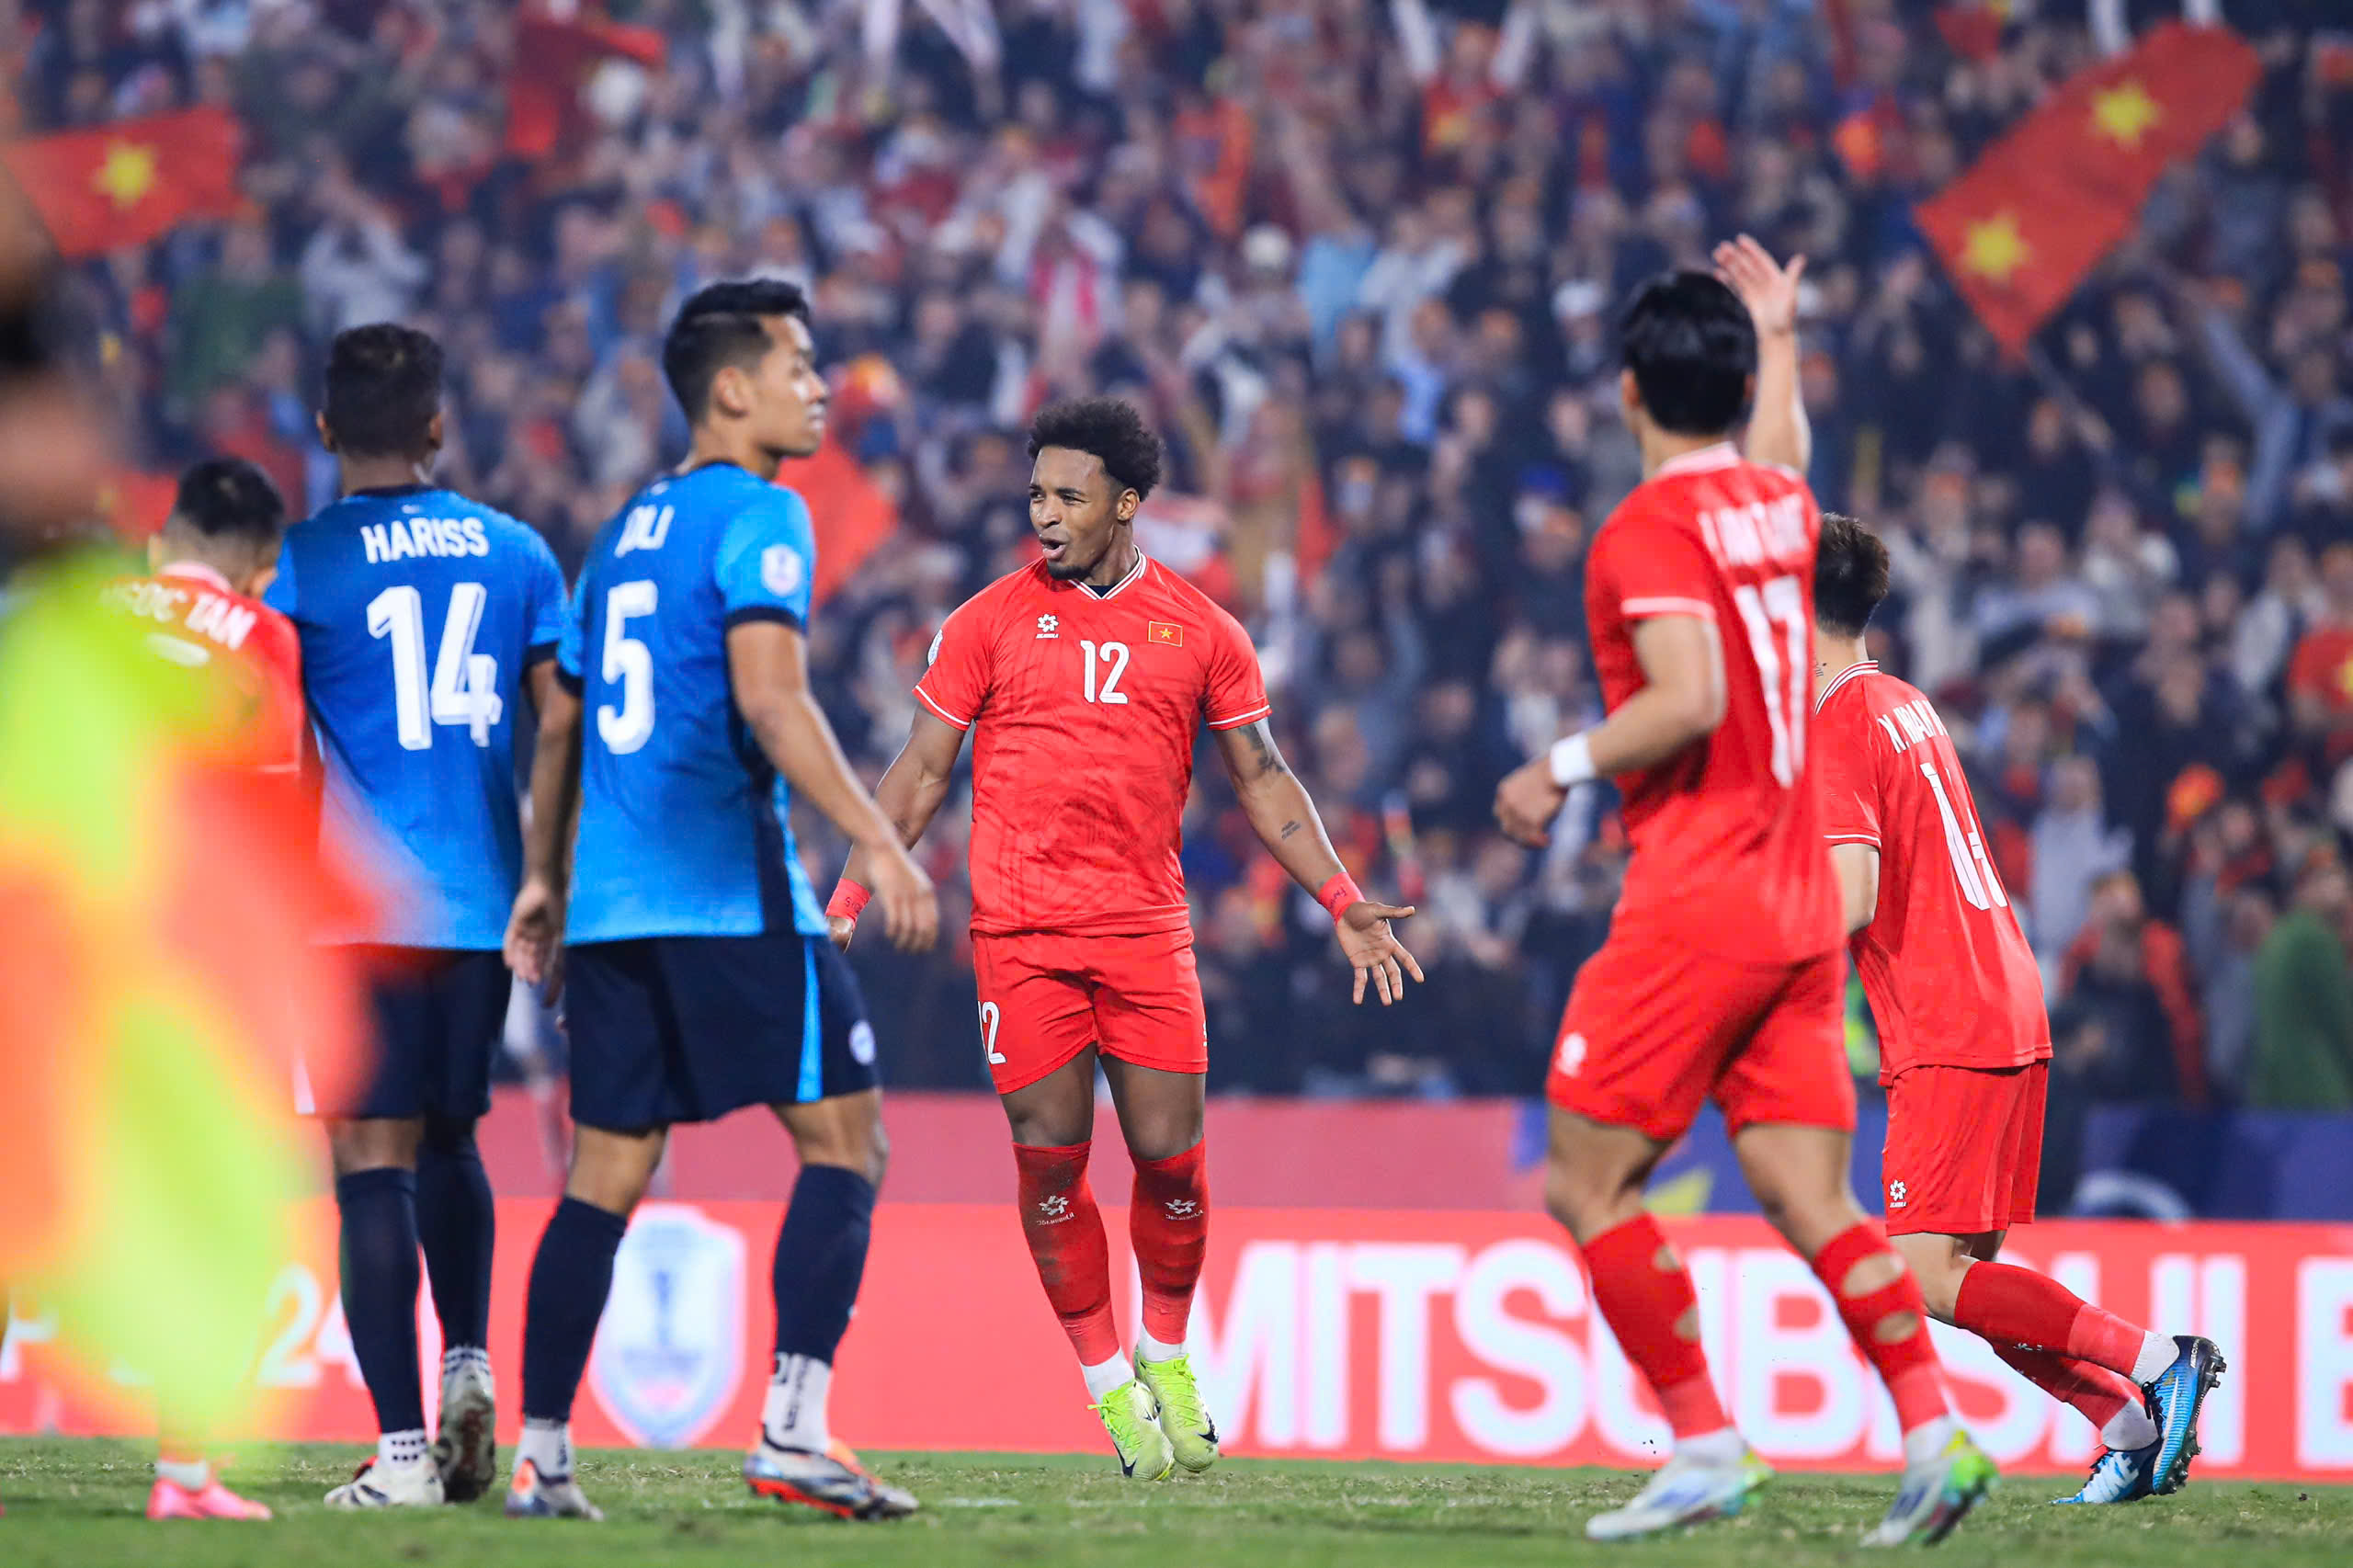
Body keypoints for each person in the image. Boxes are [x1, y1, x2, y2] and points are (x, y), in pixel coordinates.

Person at [1490, 244, 1992, 1546]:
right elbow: (1783, 444)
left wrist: (1553, 766)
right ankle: (1938, 1437)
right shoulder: (1776, 507)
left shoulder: (1644, 529)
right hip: (1794, 912)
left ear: (1626, 393)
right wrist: (1779, 331)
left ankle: (1707, 1441)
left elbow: (1690, 696)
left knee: (1587, 1184)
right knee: (1807, 1194)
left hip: (1698, 893)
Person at [826, 394, 1422, 1480]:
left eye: (1067, 495)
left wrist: (1342, 899)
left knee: (1172, 1165)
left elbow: (1264, 778)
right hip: (1021, 933)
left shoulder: (1203, 631)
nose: (1045, 515)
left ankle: (1166, 1353)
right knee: (1051, 1165)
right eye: (1037, 494)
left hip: (1147, 931)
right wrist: (848, 903)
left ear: (1128, 502)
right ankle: (1109, 1384)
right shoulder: (986, 620)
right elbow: (918, 773)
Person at [501, 278, 939, 1522]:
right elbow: (772, 698)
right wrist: (882, 844)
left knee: (605, 1172)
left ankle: (543, 1455)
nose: (820, 385)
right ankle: (794, 1429)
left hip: (610, 913)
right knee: (850, 1140)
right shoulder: (765, 514)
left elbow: (563, 728)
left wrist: (544, 875)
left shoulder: (627, 529)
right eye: (800, 363)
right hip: (731, 900)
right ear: (731, 388)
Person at [1810, 511, 2225, 1506]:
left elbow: (1851, 897)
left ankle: (2161, 1355)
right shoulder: (1904, 699)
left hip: (1948, 1017)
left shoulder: (1837, 721)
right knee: (1965, 1278)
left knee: (1922, 1275)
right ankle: (2124, 1426)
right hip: (2001, 994)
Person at [269, 324, 571, 1508]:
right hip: (483, 904)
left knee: (367, 1166)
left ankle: (401, 1454)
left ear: (328, 426)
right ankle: (468, 1363)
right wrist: (547, 878)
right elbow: (560, 724)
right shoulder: (519, 553)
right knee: (453, 1140)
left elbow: (265, 734)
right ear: (439, 425)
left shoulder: (297, 564)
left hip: (351, 914)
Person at [87, 457, 302, 1521]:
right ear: (258, 562)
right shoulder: (261, 636)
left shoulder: (74, 618)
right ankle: (183, 1471)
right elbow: (274, 821)